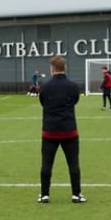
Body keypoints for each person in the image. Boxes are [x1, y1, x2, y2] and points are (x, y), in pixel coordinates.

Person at [38, 55, 85, 204]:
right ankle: (76, 194)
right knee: (73, 164)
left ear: (52, 69)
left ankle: (45, 194)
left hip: (50, 130)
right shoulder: (72, 86)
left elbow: (43, 102)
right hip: (69, 130)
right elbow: (75, 101)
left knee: (46, 163)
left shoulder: (45, 86)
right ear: (65, 68)